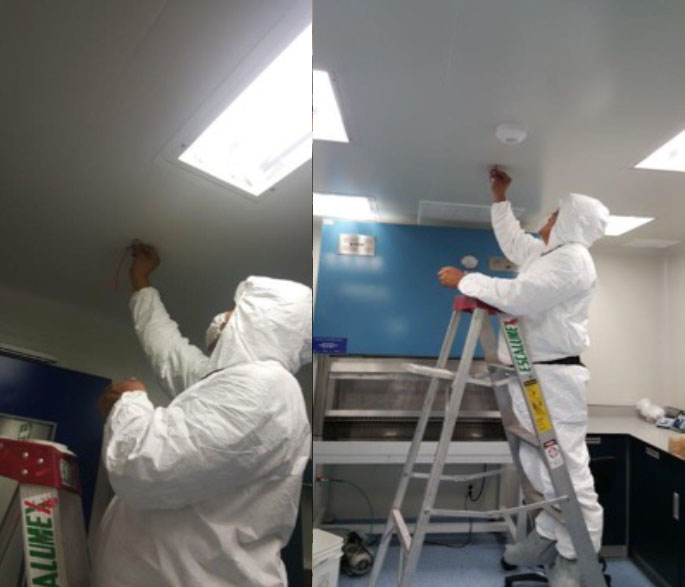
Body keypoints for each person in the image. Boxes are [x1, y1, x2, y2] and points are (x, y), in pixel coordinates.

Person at [93, 241, 312, 587]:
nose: (222, 316)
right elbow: (168, 351)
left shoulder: (264, 387)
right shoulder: (229, 383)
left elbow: (144, 467)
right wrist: (141, 281)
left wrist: (130, 402)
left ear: (260, 320)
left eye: (234, 309)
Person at [437, 168, 609, 586]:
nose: (547, 220)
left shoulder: (573, 260)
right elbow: (514, 241)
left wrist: (466, 280)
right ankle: (549, 534)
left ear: (570, 223)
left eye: (555, 215)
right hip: (529, 375)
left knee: (566, 469)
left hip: (555, 378)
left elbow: (521, 297)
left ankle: (577, 556)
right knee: (537, 462)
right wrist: (500, 197)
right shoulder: (545, 255)